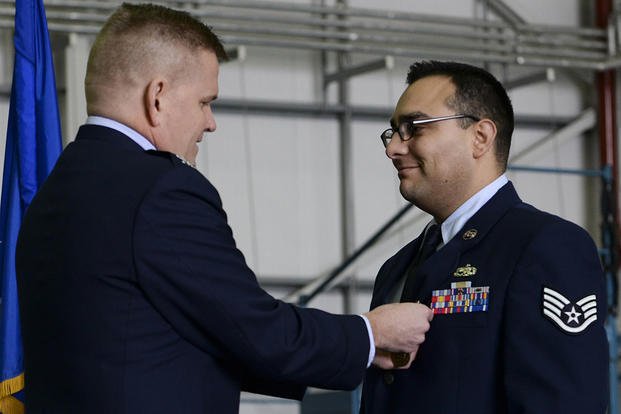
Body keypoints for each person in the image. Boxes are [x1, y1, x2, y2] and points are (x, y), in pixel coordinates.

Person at [14, 4, 434, 414]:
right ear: (157, 96)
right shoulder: (161, 189)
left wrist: (353, 354)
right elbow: (254, 329)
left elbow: (183, 334)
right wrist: (370, 333)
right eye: (204, 101)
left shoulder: (53, 194)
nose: (210, 122)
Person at [360, 61, 609, 413]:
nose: (393, 149)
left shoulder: (545, 247)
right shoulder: (398, 267)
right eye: (393, 132)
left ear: (480, 137)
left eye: (413, 128)